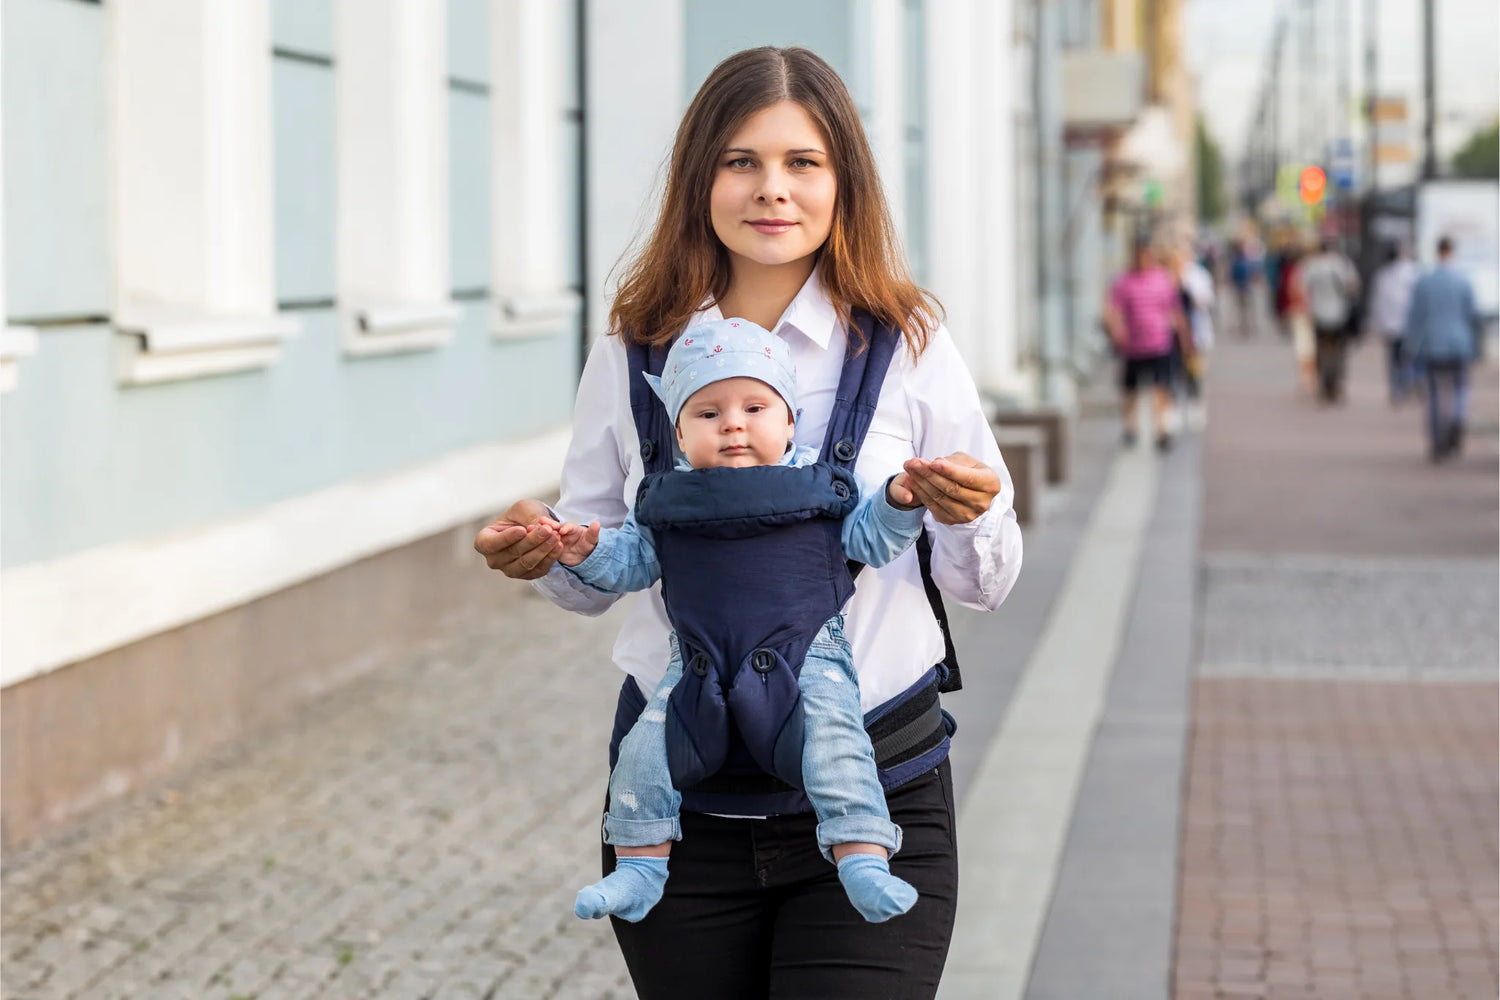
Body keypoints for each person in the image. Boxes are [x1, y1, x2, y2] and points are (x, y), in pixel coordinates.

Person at [474, 46, 1021, 999]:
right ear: (701, 180)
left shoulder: (907, 343)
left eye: (802, 162)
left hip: (876, 795)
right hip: (677, 809)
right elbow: (596, 568)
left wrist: (971, 512)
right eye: (741, 162)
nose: (773, 190)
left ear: (842, 180)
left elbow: (986, 581)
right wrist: (547, 552)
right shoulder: (634, 345)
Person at [554, 320, 927, 926]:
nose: (732, 424)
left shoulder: (820, 485)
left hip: (807, 655)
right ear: (677, 432)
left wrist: (897, 501)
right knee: (644, 754)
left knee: (837, 746)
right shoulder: (666, 498)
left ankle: (863, 855)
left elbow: (870, 540)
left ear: (789, 421)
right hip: (695, 660)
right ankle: (638, 866)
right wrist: (583, 550)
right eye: (707, 413)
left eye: (755, 407)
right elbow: (631, 563)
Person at [1104, 239, 1193, 451]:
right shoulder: (1124, 281)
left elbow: (1174, 310)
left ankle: (1161, 429)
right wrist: (1117, 331)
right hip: (1133, 346)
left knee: (1161, 388)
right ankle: (1130, 428)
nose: (1143, 260)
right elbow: (1113, 310)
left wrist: (1185, 337)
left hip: (1159, 343)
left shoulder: (1163, 280)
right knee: (1131, 390)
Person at [1404, 236, 1481, 462]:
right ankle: (1458, 417)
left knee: (1435, 393)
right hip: (1461, 343)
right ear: (1452, 251)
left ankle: (1438, 438)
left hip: (1432, 344)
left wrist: (1410, 347)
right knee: (1460, 387)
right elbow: (1473, 317)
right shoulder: (1464, 281)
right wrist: (1476, 346)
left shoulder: (1424, 281)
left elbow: (1415, 318)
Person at [1298, 236, 1361, 403]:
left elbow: (1303, 289)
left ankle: (1323, 384)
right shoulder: (1343, 264)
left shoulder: (1313, 265)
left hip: (1318, 313)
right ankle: (1335, 385)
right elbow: (1353, 287)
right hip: (1339, 314)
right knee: (1339, 350)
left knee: (1321, 349)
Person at [1168, 243, 1216, 428]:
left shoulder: (1196, 276)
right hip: (1173, 335)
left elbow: (1206, 299)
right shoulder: (1168, 279)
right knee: (1175, 371)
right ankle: (1175, 407)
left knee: (1193, 368)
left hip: (1194, 329)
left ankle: (1193, 401)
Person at [1368, 241, 1421, 405]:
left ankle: (1397, 388)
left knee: (1394, 359)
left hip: (1391, 325)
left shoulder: (1383, 275)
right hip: (1406, 324)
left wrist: (1379, 325)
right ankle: (1405, 384)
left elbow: (1377, 303)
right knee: (1408, 356)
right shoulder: (1412, 273)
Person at [1283, 243, 1316, 393]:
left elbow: (1292, 290)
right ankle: (1309, 376)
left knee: (1303, 345)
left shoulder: (1299, 270)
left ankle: (1306, 377)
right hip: (1310, 312)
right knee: (1309, 345)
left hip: (1301, 311)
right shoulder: (1310, 268)